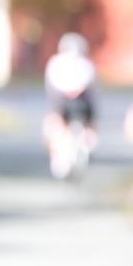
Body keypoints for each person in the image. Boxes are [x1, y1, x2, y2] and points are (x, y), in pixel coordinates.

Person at [43, 32, 97, 178]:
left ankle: (57, 154)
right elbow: (92, 92)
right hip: (83, 105)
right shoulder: (87, 64)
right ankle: (89, 141)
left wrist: (55, 111)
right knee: (89, 125)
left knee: (54, 126)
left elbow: (51, 90)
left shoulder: (55, 63)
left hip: (62, 103)